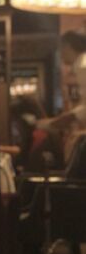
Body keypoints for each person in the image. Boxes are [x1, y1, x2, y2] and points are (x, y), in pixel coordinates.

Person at [37, 31, 86, 163]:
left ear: (68, 46)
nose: (60, 54)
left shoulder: (83, 65)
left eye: (60, 49)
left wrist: (64, 119)